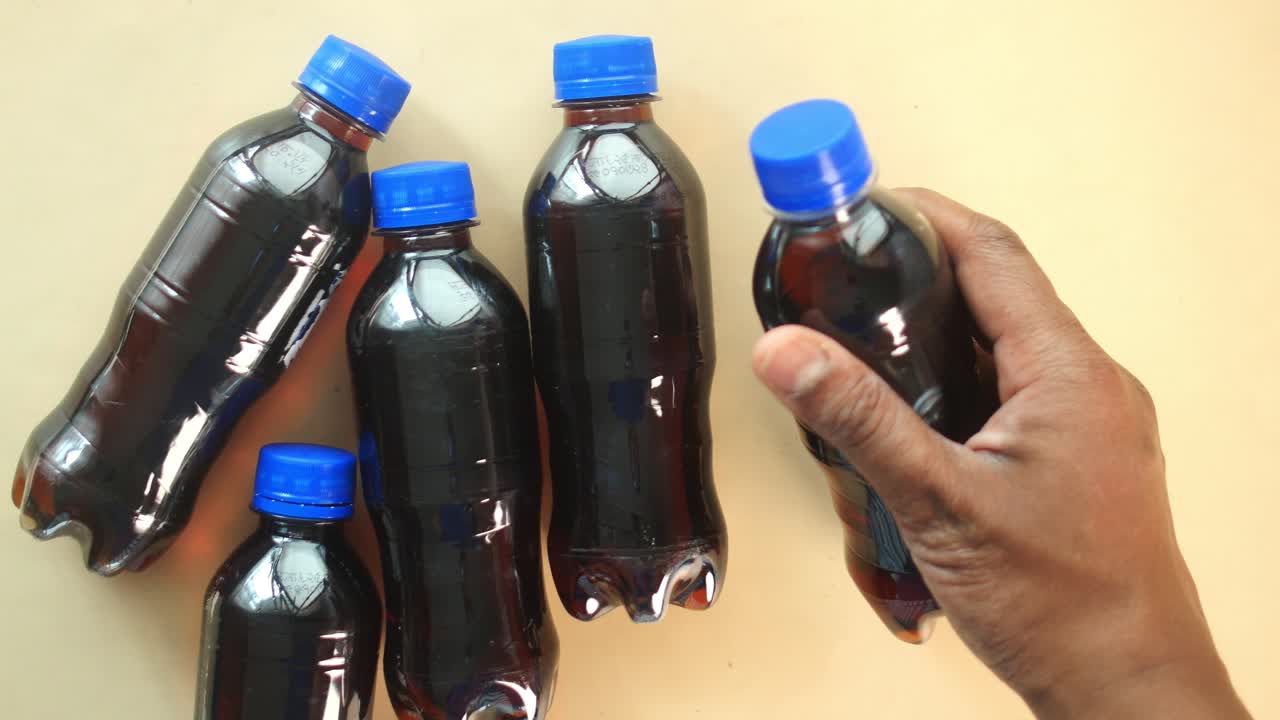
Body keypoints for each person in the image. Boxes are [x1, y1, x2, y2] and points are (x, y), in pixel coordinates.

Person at [751, 189, 1253, 719]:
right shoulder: (808, 256)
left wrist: (1124, 657)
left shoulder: (890, 233)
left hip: (908, 558)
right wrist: (1143, 667)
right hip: (901, 546)